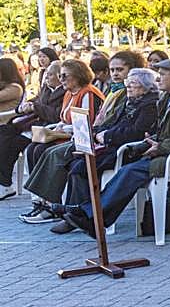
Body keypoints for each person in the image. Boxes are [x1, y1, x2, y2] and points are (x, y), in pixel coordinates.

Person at [57, 59, 170, 236]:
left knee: (130, 172)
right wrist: (149, 143)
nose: (159, 79)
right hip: (169, 155)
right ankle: (91, 215)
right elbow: (168, 131)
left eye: (163, 74)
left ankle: (93, 216)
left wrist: (161, 147)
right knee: (126, 170)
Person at [54, 66, 162, 233]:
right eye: (129, 82)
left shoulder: (149, 105)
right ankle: (76, 212)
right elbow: (115, 123)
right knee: (76, 163)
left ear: (146, 86)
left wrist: (107, 136)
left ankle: (82, 214)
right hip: (115, 145)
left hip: (126, 150)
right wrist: (99, 132)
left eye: (133, 83)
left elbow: (136, 133)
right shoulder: (131, 102)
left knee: (82, 166)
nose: (129, 86)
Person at [17, 59, 105, 224]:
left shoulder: (88, 93)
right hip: (65, 135)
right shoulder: (69, 93)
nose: (61, 79)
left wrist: (63, 129)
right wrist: (58, 127)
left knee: (48, 152)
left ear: (78, 76)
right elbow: (64, 119)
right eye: (60, 76)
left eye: (65, 76)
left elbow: (87, 124)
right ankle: (41, 201)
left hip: (82, 140)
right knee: (33, 148)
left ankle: (51, 205)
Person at [0, 58, 27, 200]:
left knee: (5, 145)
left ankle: (4, 184)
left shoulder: (15, 88)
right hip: (4, 125)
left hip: (8, 124)